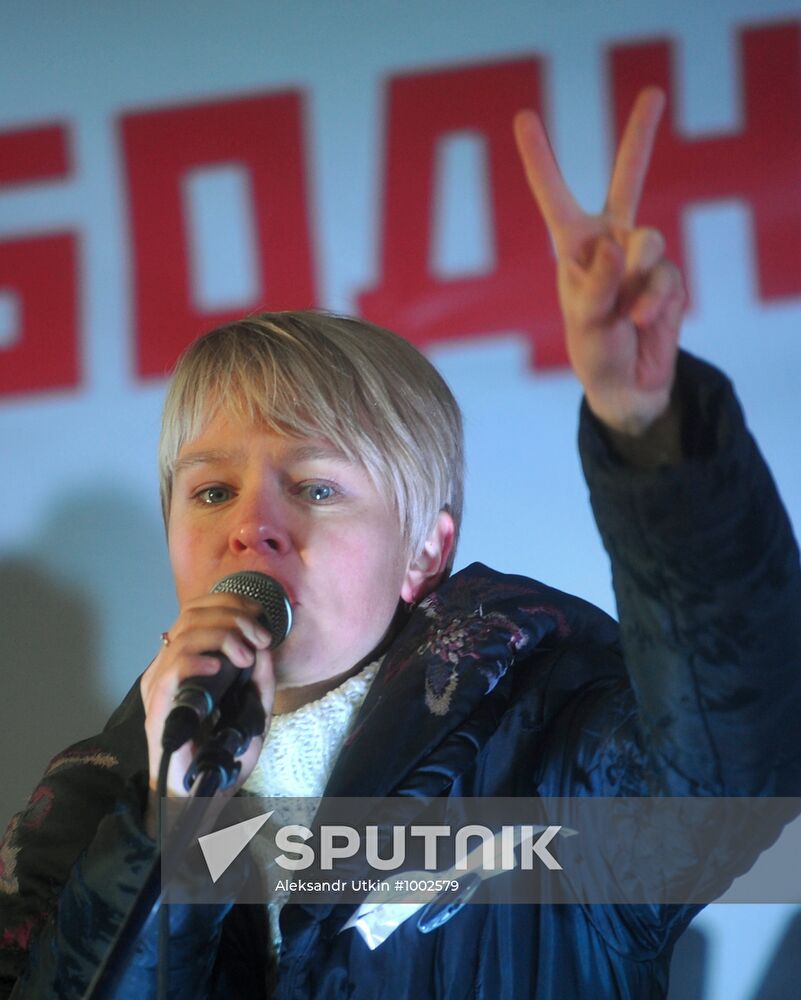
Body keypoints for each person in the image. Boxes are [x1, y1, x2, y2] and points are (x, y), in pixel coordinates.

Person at [1, 88, 800, 999]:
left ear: (425, 552)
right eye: (212, 489)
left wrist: (651, 432)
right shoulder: (92, 809)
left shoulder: (541, 756)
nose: (249, 524)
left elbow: (735, 756)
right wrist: (169, 826)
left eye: (313, 487)